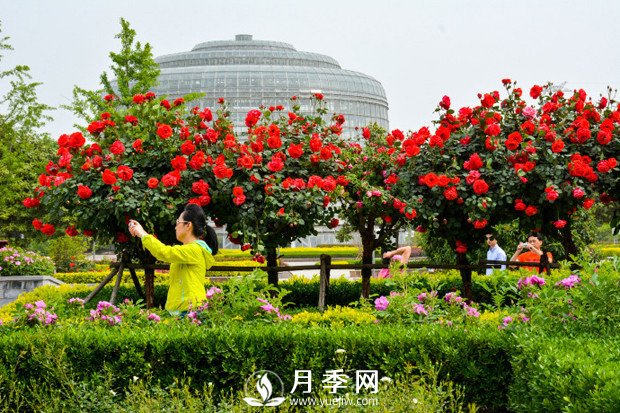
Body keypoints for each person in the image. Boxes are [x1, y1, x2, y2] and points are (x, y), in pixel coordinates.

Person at [128, 203, 219, 315]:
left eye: (178, 222)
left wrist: (142, 233)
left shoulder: (195, 249)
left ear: (188, 225)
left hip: (190, 311)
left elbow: (164, 252)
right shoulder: (188, 251)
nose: (175, 227)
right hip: (182, 310)